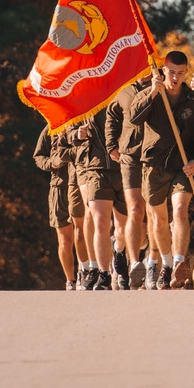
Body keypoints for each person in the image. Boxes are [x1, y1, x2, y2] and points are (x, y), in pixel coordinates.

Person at [130, 51, 194, 289]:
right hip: (154, 165)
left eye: (180, 73)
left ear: (186, 72)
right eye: (171, 72)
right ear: (162, 71)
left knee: (179, 211)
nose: (175, 77)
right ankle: (165, 265)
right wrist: (153, 92)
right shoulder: (151, 95)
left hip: (183, 168)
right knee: (158, 217)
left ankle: (179, 263)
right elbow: (134, 118)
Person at [67, 108, 128, 290]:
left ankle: (118, 250)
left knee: (123, 227)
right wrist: (77, 134)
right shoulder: (86, 101)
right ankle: (103, 274)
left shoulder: (123, 95)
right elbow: (68, 132)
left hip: (123, 168)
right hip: (95, 169)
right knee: (99, 221)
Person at [106, 75, 151, 289]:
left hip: (156, 158)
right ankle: (131, 262)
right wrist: (111, 145)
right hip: (130, 158)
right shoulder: (124, 92)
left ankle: (149, 262)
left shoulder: (165, 88)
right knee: (134, 210)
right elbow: (112, 116)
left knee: (151, 216)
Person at [33, 125, 85, 290]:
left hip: (80, 185)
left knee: (82, 232)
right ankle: (70, 280)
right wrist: (52, 163)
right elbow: (39, 157)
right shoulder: (51, 128)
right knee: (65, 238)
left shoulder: (82, 123)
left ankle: (86, 272)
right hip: (59, 187)